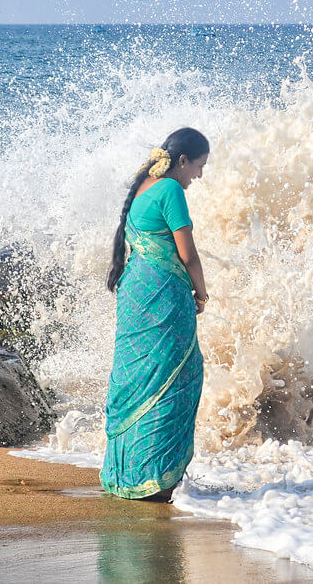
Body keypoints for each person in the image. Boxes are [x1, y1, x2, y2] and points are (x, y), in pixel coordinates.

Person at [100, 127, 210, 502]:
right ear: (182, 161)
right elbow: (188, 254)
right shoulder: (171, 190)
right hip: (163, 293)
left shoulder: (145, 184)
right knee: (178, 376)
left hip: (136, 291)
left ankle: (128, 475)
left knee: (139, 376)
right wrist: (202, 292)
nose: (199, 175)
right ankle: (156, 479)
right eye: (199, 166)